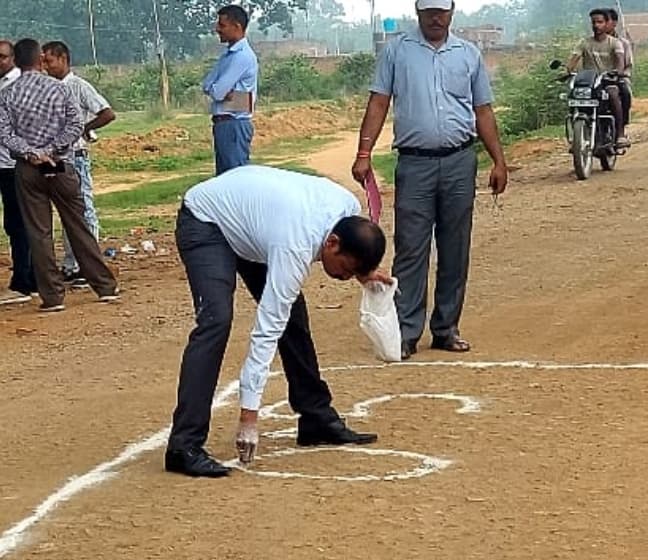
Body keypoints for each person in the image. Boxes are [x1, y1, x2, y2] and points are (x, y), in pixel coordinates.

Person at [165, 165, 388, 478]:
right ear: (332, 243)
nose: (345, 278)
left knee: (293, 317)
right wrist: (249, 418)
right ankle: (183, 445)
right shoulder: (295, 245)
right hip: (207, 221)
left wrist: (363, 272)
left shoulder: (348, 209)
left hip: (255, 225)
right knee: (217, 320)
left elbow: (343, 254)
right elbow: (266, 331)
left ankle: (315, 417)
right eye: (346, 269)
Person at [351, 0, 508, 361]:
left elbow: (482, 109)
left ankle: (446, 328)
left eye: (442, 11)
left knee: (455, 248)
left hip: (459, 161)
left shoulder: (468, 54)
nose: (436, 18)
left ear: (452, 12)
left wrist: (499, 160)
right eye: (429, 12)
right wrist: (364, 154)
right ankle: (407, 332)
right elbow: (378, 103)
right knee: (411, 248)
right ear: (418, 12)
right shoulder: (397, 52)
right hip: (414, 164)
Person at [0, 38, 118, 312]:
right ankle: (104, 286)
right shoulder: (60, 89)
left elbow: (5, 134)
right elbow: (76, 124)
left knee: (39, 232)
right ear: (40, 60)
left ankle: (52, 296)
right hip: (60, 164)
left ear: (16, 61)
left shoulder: (8, 95)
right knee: (77, 225)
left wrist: (31, 152)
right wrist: (52, 150)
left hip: (28, 169)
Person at [41, 40, 115, 287]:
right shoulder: (48, 87)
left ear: (63, 59)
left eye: (49, 61)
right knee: (66, 212)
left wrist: (84, 129)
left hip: (77, 156)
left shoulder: (79, 86)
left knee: (84, 210)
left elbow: (107, 112)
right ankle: (72, 264)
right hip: (56, 157)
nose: (45, 66)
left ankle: (88, 265)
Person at [202, 5, 258, 175]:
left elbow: (217, 92)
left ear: (237, 27)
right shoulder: (228, 55)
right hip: (224, 123)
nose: (217, 29)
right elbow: (206, 85)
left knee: (236, 180)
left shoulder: (242, 57)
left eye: (222, 25)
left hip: (234, 125)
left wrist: (225, 95)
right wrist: (232, 97)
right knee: (224, 180)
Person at [0, 39, 34, 305]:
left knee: (19, 224)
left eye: (2, 57)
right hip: (4, 164)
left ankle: (24, 281)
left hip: (13, 165)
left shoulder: (15, 87)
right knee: (16, 224)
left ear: (13, 58)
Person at [566, 8, 628, 147]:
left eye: (600, 22)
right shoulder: (584, 43)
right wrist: (567, 70)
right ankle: (575, 135)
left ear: (607, 24)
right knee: (572, 96)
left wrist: (617, 72)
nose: (596, 25)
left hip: (607, 81)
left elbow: (620, 61)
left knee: (614, 93)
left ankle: (620, 133)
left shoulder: (614, 43)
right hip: (589, 82)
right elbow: (573, 59)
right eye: (593, 22)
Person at [607, 8, 633, 129]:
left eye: (606, 21)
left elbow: (628, 64)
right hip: (596, 80)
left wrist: (620, 73)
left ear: (614, 23)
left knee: (625, 92)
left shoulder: (623, 43)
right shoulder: (590, 43)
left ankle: (621, 125)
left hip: (617, 79)